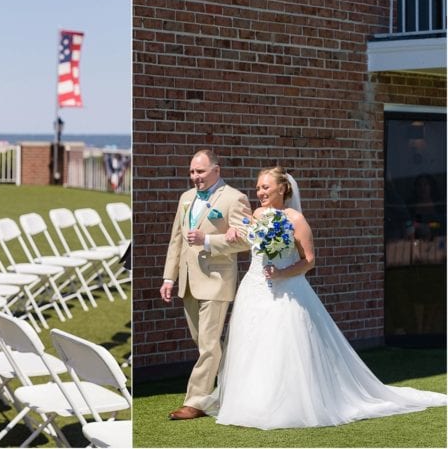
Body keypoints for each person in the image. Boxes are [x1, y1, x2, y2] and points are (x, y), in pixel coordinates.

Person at [208, 166, 446, 429]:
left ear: (282, 188)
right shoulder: (258, 214)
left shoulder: (296, 219)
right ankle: (250, 403)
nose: (259, 192)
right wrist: (233, 233)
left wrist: (282, 272)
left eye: (265, 187)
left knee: (281, 344)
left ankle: (286, 404)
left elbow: (309, 261)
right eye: (257, 188)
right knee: (251, 344)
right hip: (253, 288)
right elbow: (248, 240)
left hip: (286, 290)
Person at [160, 149, 251, 420]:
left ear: (216, 170)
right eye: (192, 172)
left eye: (200, 171)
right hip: (188, 281)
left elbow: (246, 239)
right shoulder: (186, 198)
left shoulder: (235, 198)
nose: (195, 177)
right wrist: (169, 277)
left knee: (209, 345)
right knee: (203, 343)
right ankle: (234, 390)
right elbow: (176, 239)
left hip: (216, 279)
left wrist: (209, 241)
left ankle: (195, 402)